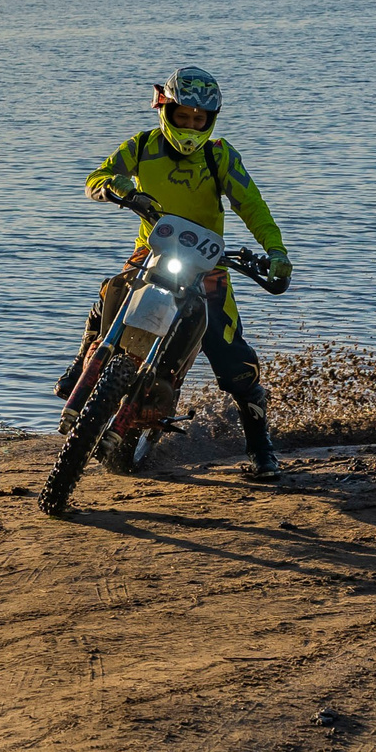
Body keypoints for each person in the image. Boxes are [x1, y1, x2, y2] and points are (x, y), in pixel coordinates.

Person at [73, 67, 295, 479]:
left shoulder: (220, 155)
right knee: (113, 290)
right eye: (184, 116)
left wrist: (275, 250)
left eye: (200, 119)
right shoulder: (141, 146)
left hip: (207, 265)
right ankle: (82, 361)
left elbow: (253, 205)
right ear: (167, 111)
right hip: (153, 252)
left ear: (210, 120)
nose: (191, 125)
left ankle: (260, 445)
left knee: (233, 361)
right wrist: (119, 189)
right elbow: (95, 178)